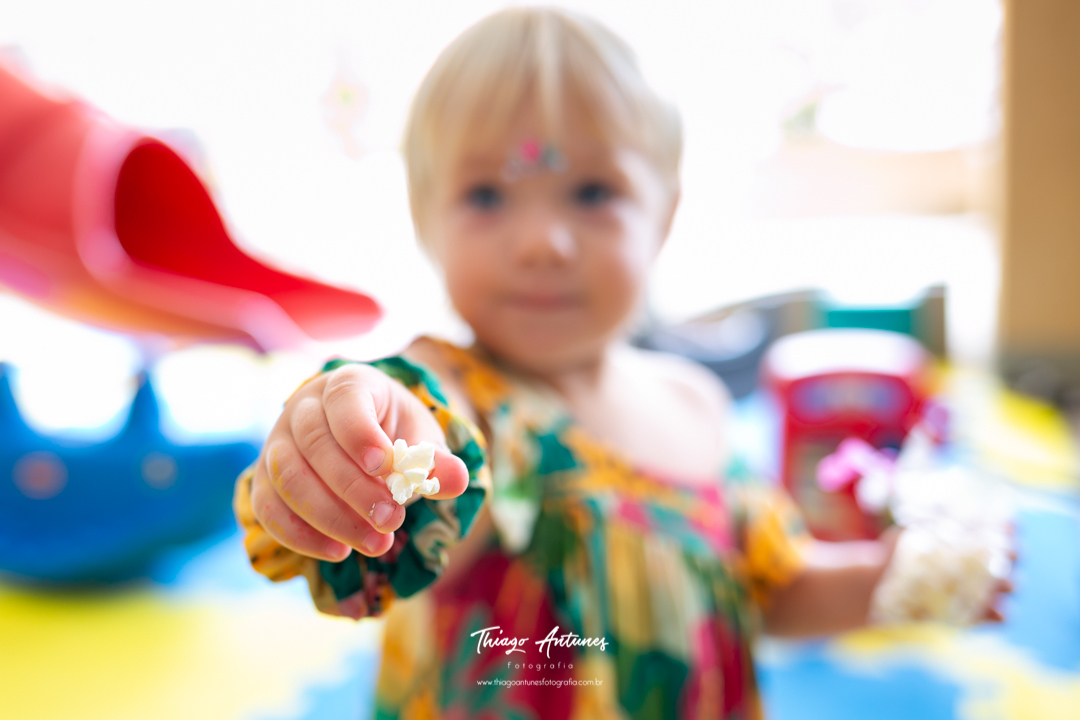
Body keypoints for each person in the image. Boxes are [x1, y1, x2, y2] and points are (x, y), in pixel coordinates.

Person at [233, 8, 1006, 719]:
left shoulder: (699, 406)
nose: (542, 241)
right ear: (427, 222)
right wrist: (363, 441)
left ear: (662, 216)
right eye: (487, 196)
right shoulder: (469, 397)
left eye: (593, 191)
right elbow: (434, 461)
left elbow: (763, 592)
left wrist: (892, 581)